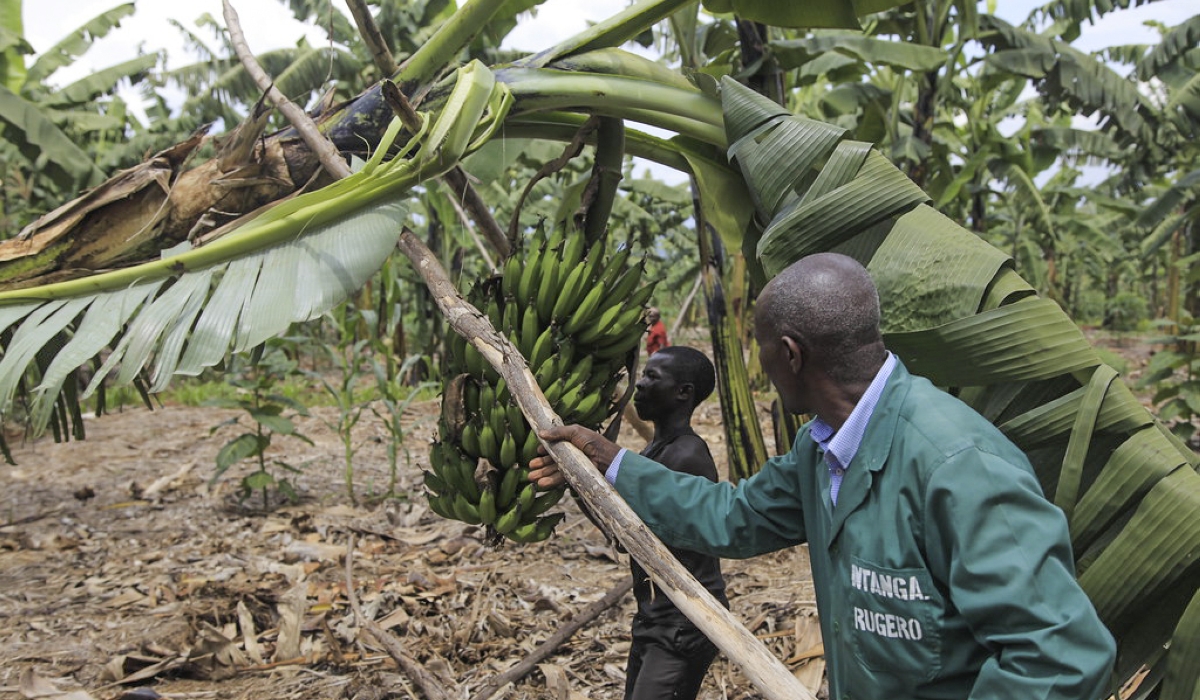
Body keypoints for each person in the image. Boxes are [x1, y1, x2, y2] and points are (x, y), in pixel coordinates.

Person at [529, 253, 1117, 700]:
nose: (761, 371)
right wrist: (611, 461)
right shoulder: (823, 450)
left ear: (791, 354)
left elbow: (1058, 658)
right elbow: (732, 517)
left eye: (761, 352)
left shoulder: (957, 465)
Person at [621, 345, 727, 700]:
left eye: (652, 377)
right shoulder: (656, 450)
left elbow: (621, 524)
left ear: (684, 393)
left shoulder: (686, 456)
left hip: (684, 621)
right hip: (655, 617)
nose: (640, 385)